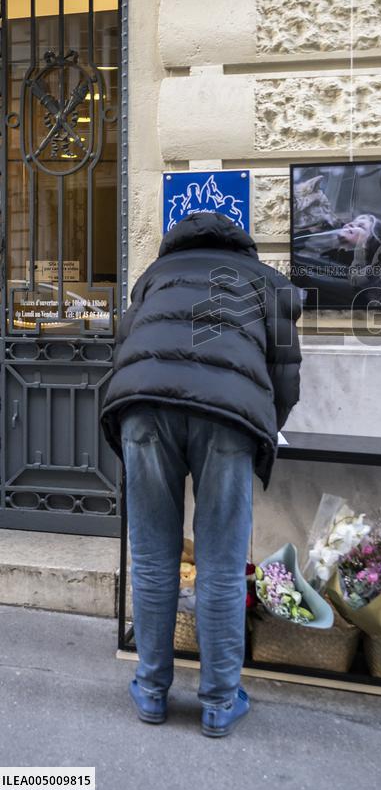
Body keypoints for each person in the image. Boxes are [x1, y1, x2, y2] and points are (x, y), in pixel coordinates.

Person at [101, 212, 302, 738]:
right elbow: (286, 377)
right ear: (240, 245)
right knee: (220, 562)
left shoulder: (154, 277)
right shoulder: (265, 282)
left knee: (151, 557)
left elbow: (124, 353)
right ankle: (218, 700)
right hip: (227, 419)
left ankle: (150, 691)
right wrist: (265, 428)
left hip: (143, 408)